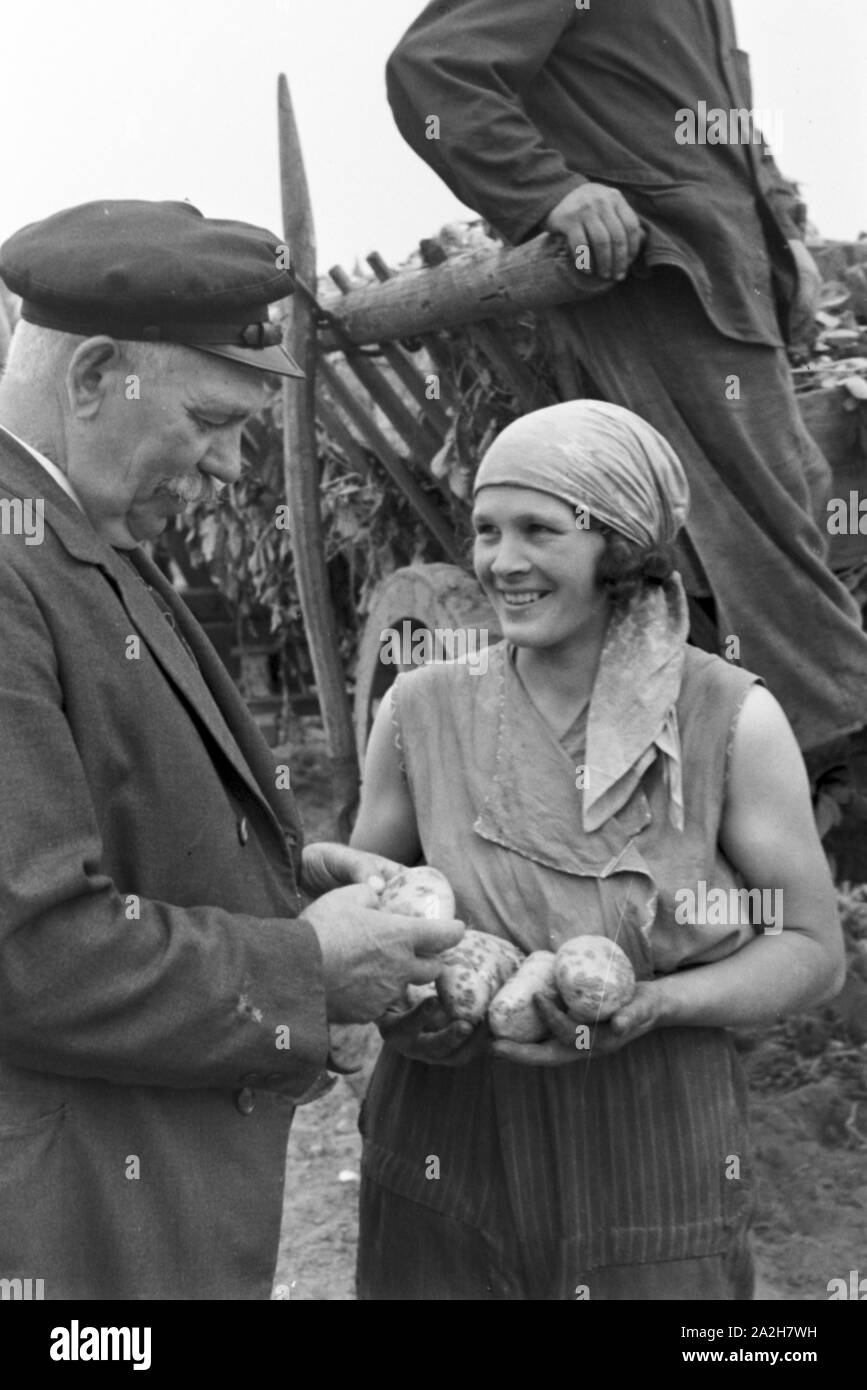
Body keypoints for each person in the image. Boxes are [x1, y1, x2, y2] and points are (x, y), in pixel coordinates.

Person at [0, 199, 463, 1301]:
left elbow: (103, 806)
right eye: (213, 419)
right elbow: (30, 953)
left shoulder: (76, 525)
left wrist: (288, 881)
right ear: (95, 372)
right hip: (71, 1232)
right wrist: (307, 967)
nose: (226, 468)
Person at [349, 399, 845, 1301]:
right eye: (486, 530)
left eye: (539, 530)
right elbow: (363, 917)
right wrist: (401, 1005)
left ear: (618, 549)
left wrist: (656, 1001)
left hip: (653, 1148)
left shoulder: (726, 717)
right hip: (443, 1134)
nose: (502, 562)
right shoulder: (418, 712)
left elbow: (811, 951)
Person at [385, 0, 867, 762]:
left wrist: (785, 230)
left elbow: (726, 120)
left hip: (733, 270)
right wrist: (547, 191)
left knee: (797, 494)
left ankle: (745, 762)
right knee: (764, 528)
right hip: (665, 272)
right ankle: (823, 765)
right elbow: (433, 71)